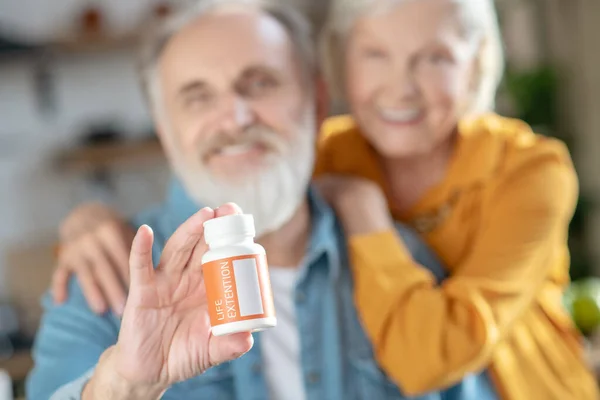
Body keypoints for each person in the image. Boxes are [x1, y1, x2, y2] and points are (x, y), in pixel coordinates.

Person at [51, 0, 599, 399]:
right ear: (165, 130)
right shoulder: (103, 281)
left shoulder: (410, 252)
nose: (236, 119)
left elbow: (440, 366)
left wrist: (364, 213)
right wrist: (123, 385)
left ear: (316, 103)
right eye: (197, 97)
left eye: (261, 83)